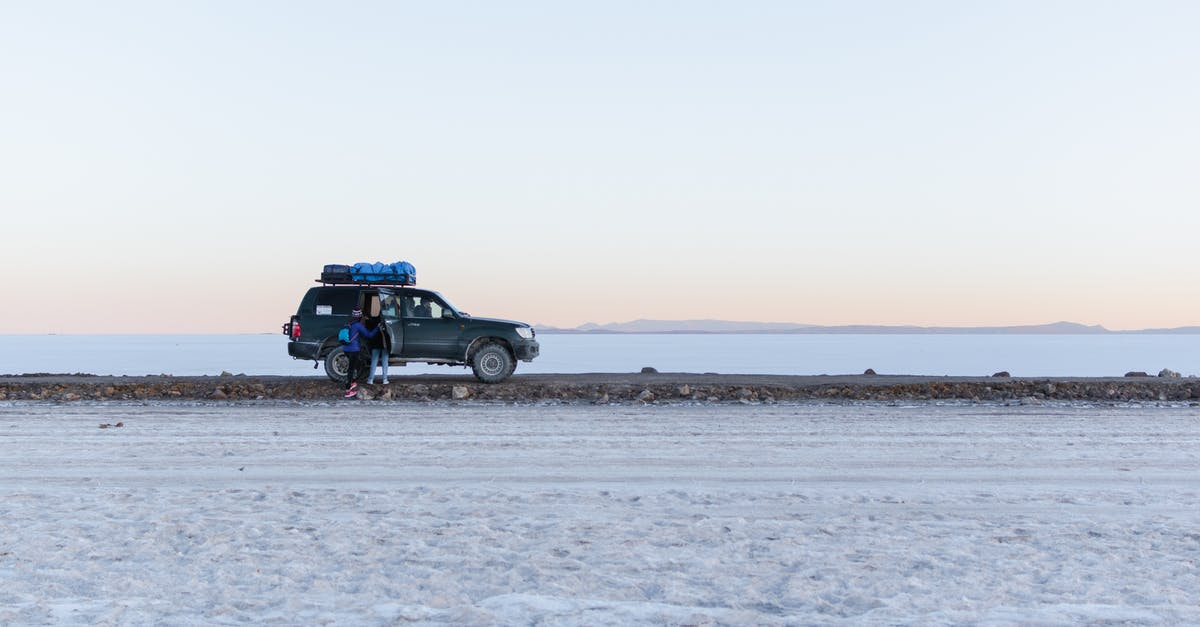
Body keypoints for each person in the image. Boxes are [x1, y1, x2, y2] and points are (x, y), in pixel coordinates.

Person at [341, 308, 380, 398]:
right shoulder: (358, 325)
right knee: (351, 368)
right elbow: (369, 335)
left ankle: (353, 381)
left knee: (356, 365)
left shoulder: (347, 323)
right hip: (353, 349)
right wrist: (377, 328)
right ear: (359, 316)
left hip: (345, 348)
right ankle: (348, 390)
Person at [366, 315, 389, 385]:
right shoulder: (385, 323)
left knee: (374, 362)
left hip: (375, 345)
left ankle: (370, 379)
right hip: (384, 345)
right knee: (385, 362)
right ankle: (385, 379)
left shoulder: (371, 322)